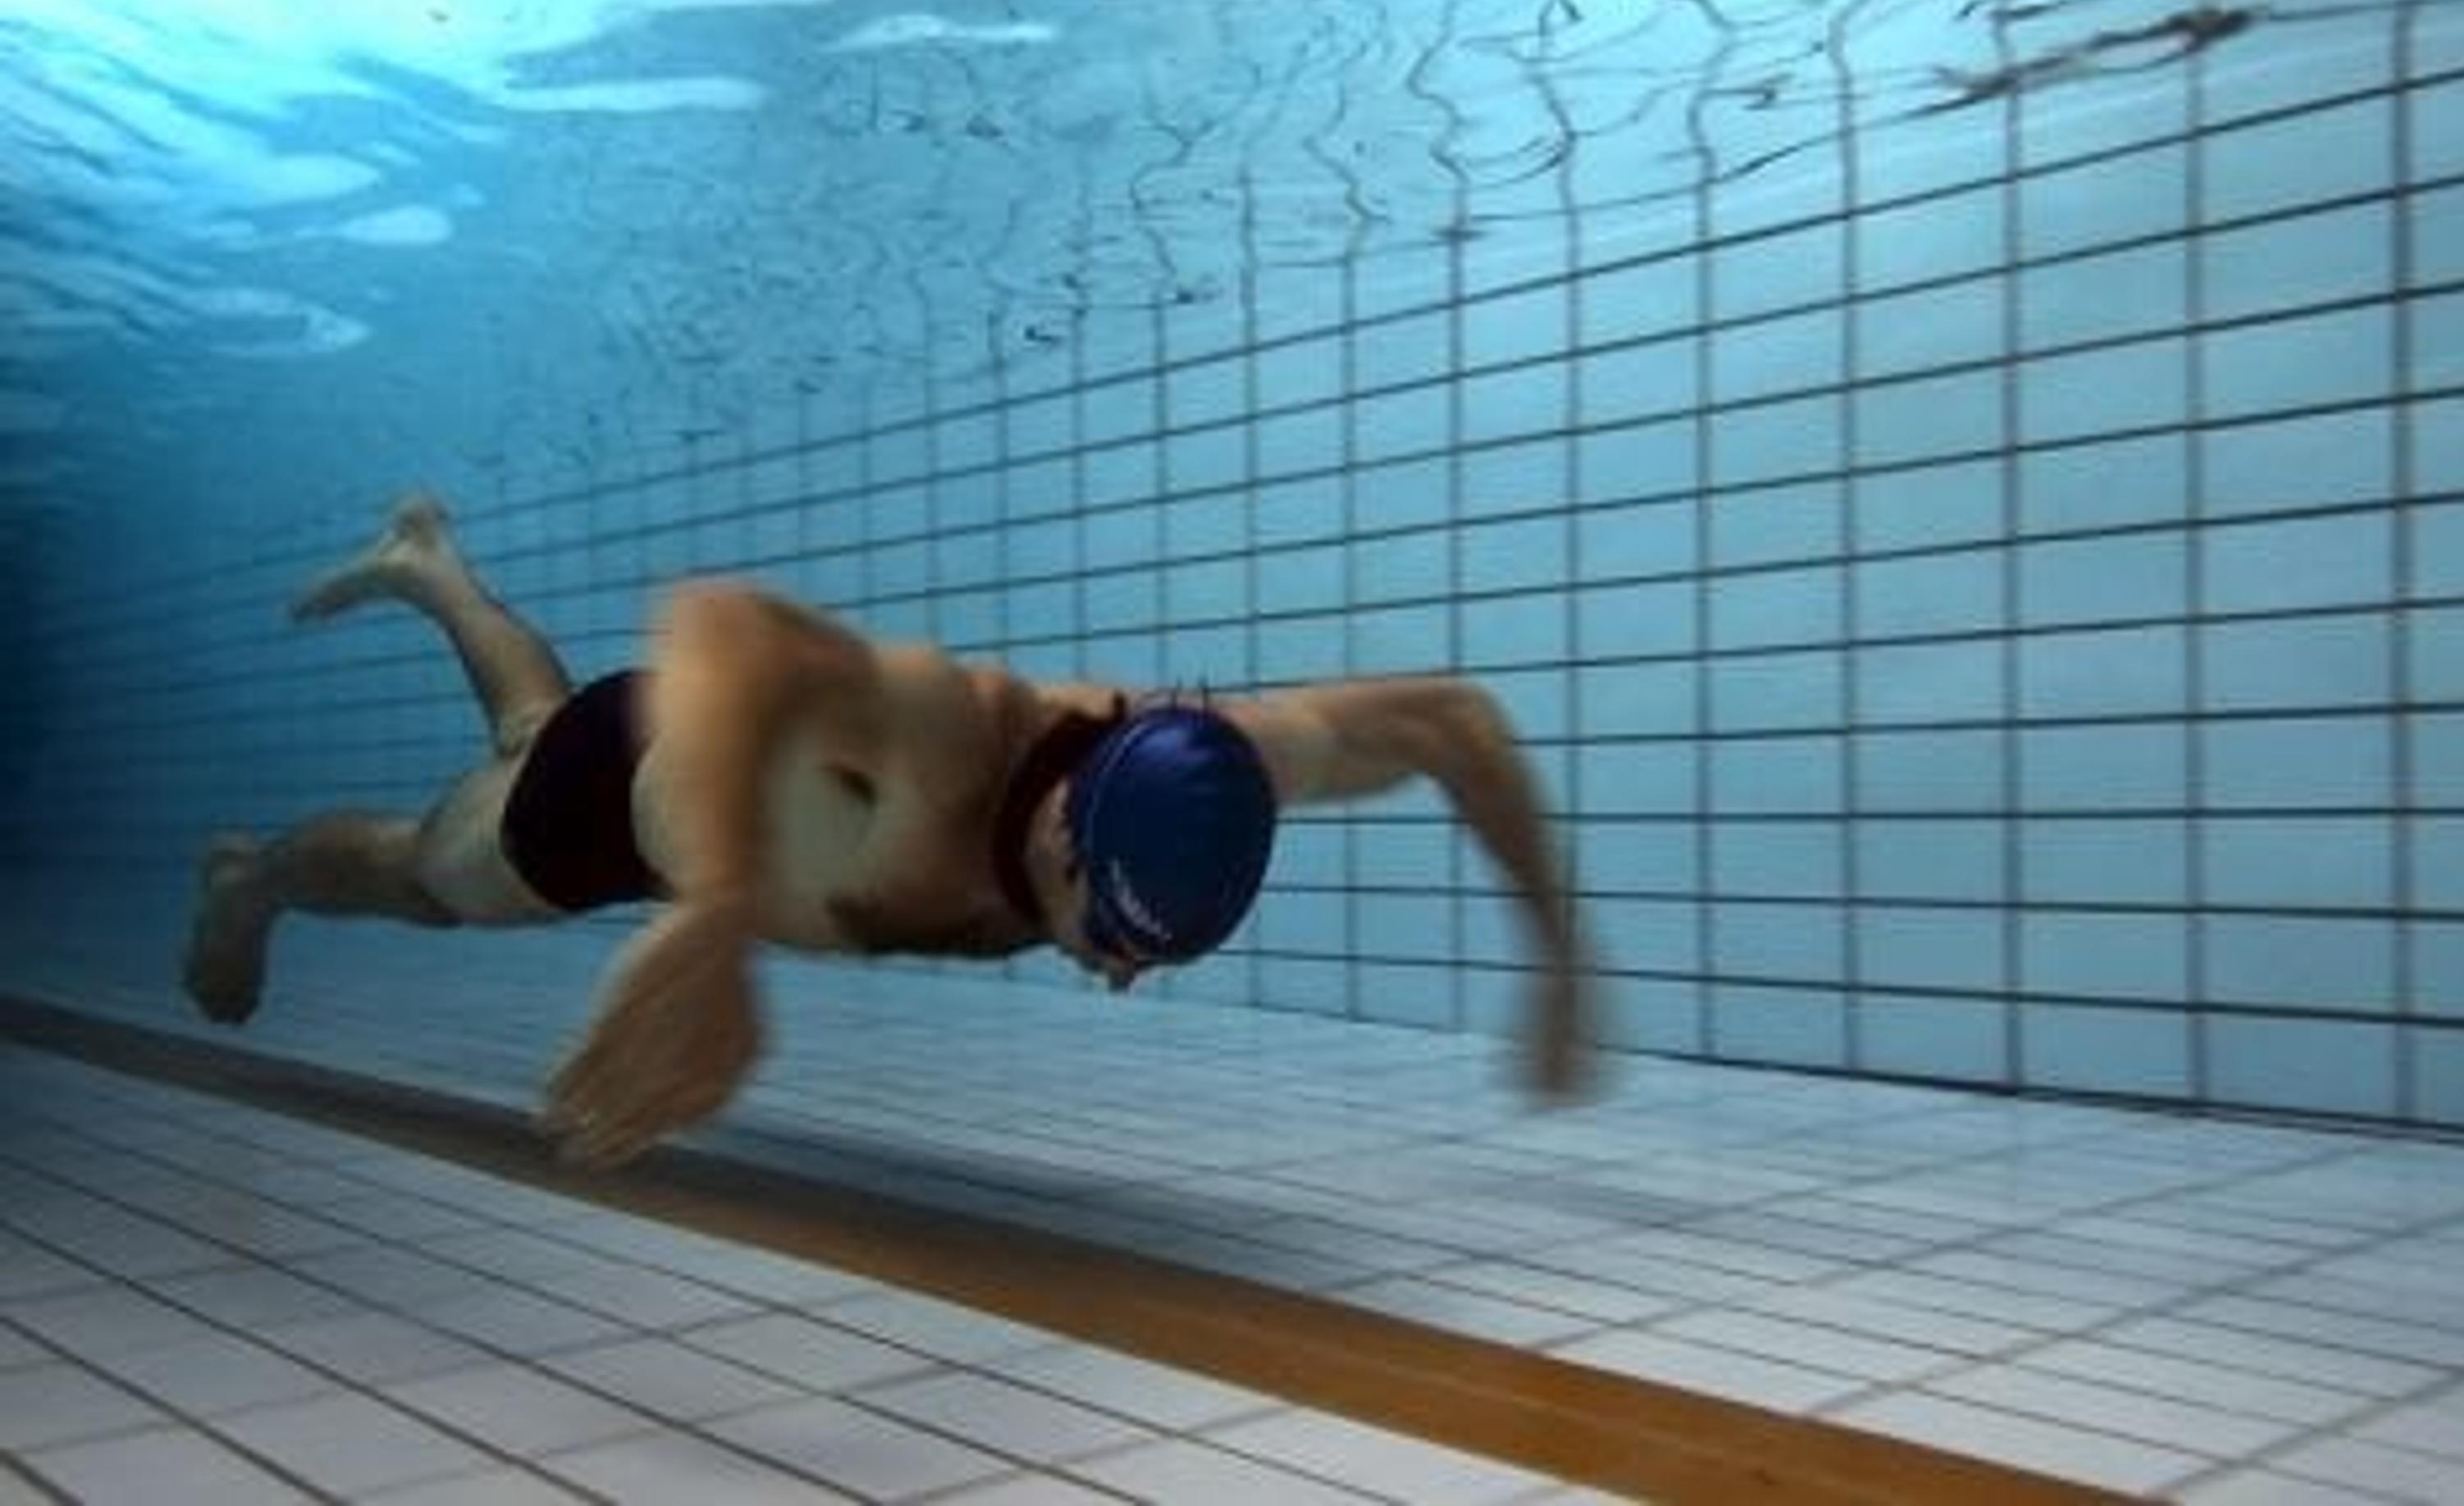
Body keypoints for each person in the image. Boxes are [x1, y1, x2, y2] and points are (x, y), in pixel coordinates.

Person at [185, 495, 1596, 1166]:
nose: (1114, 978)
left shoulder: (1213, 765)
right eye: (1103, 935)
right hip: (637, 792)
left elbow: (1449, 724)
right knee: (426, 875)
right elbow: (720, 628)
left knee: (523, 723)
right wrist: (721, 916)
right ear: (1059, 831)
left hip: (732, 804)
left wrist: (1559, 952)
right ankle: (251, 875)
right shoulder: (943, 732)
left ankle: (435, 568)